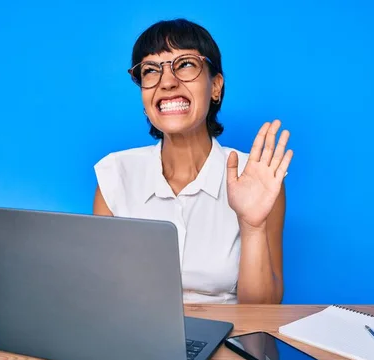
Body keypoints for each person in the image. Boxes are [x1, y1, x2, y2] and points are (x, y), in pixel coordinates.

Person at [93, 18, 293, 304]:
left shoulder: (259, 178)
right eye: (151, 70)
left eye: (185, 64)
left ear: (216, 87)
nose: (167, 82)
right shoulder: (115, 176)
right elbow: (105, 297)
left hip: (232, 342)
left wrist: (253, 226)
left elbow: (263, 311)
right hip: (139, 342)